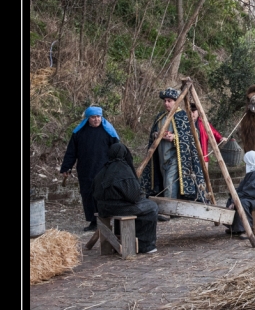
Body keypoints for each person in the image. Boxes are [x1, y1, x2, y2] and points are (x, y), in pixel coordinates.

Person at [140, 88, 207, 221]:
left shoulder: (183, 116)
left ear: (176, 102)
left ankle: (169, 210)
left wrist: (175, 137)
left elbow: (191, 137)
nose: (166, 103)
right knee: (165, 181)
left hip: (175, 158)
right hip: (161, 156)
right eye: (165, 101)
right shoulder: (160, 117)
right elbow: (154, 133)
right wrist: (156, 134)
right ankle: (170, 208)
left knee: (170, 182)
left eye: (169, 101)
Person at [60, 105, 120, 231]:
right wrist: (67, 167)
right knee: (88, 195)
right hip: (85, 170)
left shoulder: (109, 132)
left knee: (103, 195)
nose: (96, 119)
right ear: (88, 118)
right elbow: (71, 152)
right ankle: (93, 222)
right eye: (93, 117)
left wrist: (117, 167)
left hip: (104, 169)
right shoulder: (79, 133)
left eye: (98, 116)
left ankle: (105, 220)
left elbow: (118, 151)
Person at [92, 142, 159, 253]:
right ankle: (145, 245)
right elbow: (133, 196)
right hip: (119, 207)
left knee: (141, 206)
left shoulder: (103, 170)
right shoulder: (123, 170)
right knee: (152, 207)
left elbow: (94, 192)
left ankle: (122, 239)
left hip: (103, 207)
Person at [224, 151, 255, 238]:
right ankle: (235, 228)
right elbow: (244, 187)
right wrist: (234, 195)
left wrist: (236, 200)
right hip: (252, 195)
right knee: (232, 198)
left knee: (242, 203)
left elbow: (251, 191)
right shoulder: (253, 171)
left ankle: (247, 229)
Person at [190, 103, 228, 170]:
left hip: (203, 155)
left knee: (204, 176)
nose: (192, 114)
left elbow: (213, 132)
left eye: (193, 112)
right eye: (190, 112)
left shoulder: (203, 123)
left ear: (198, 112)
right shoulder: (186, 124)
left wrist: (220, 138)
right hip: (190, 155)